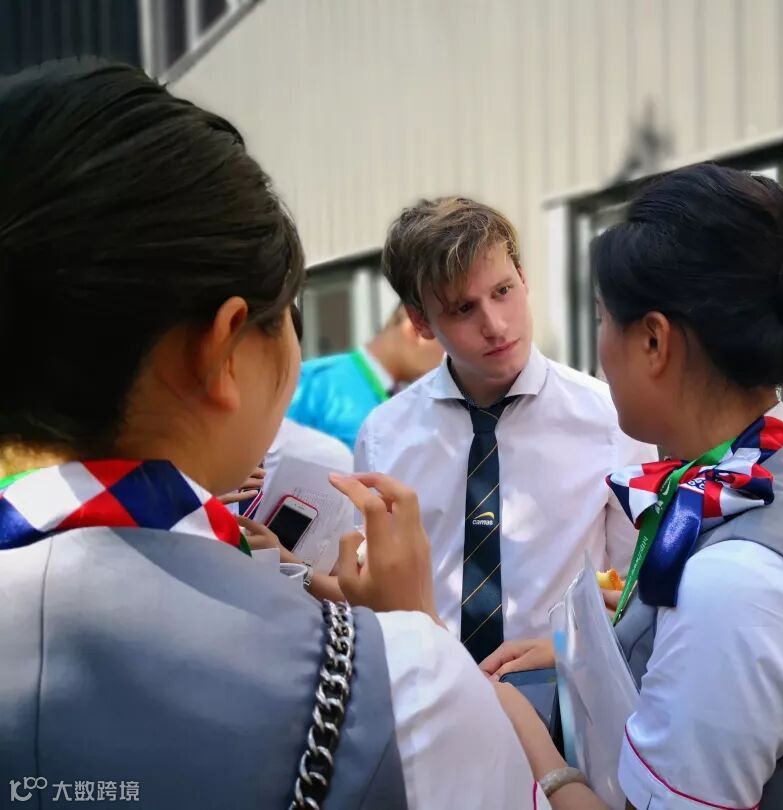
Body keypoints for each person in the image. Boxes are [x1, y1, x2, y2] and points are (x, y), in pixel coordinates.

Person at [0, 60, 554, 809]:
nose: (493, 322)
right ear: (225, 349)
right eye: (287, 312)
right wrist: (413, 644)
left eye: (504, 291)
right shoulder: (398, 686)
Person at [483, 164, 783, 809]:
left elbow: (726, 625)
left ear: (653, 340)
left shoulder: (735, 588)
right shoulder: (782, 468)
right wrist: (587, 649)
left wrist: (523, 733)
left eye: (602, 320)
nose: (600, 350)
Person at [356, 197, 656, 662]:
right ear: (420, 322)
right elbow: (373, 591)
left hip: (565, 690)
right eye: (463, 308)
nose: (495, 326)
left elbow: (636, 601)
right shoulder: (383, 437)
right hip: (430, 687)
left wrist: (563, 649)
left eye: (502, 291)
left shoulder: (612, 419)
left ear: (523, 278)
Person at [288, 303, 444, 448]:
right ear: (415, 330)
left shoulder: (412, 403)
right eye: (446, 348)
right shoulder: (314, 382)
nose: (448, 362)